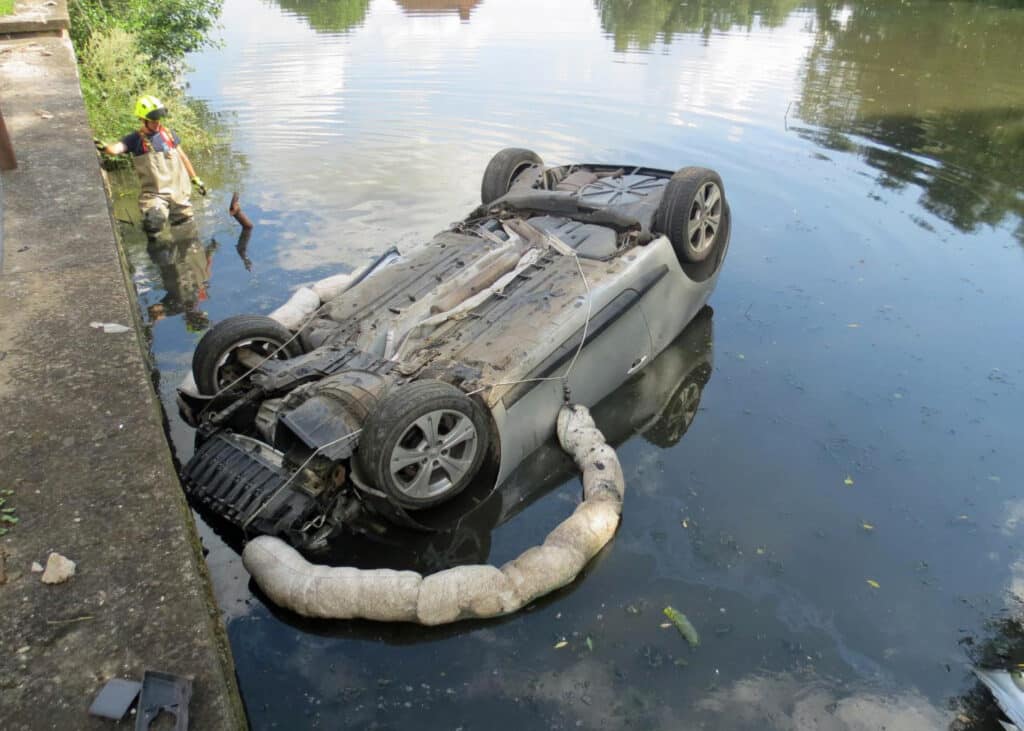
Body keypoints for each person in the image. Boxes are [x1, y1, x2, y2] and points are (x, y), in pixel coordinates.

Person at [98, 96, 207, 232]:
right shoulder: (135, 139)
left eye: (158, 119)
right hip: (155, 195)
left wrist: (195, 179)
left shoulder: (168, 134)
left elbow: (183, 157)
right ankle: (155, 245)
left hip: (178, 193)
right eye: (153, 120)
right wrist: (105, 148)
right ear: (143, 120)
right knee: (154, 222)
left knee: (186, 231)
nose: (156, 123)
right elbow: (116, 149)